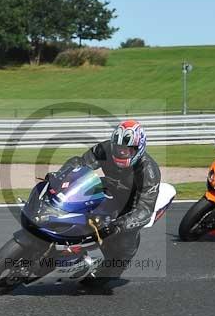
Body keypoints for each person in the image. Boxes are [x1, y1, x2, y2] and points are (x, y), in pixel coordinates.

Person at [55, 119, 161, 280]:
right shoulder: (105, 149)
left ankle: (102, 267)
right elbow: (81, 163)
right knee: (72, 202)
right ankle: (63, 239)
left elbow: (144, 209)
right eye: (118, 147)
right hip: (107, 190)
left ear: (138, 148)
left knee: (123, 250)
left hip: (129, 208)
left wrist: (120, 225)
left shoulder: (149, 171)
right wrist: (61, 175)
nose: (121, 152)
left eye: (127, 149)